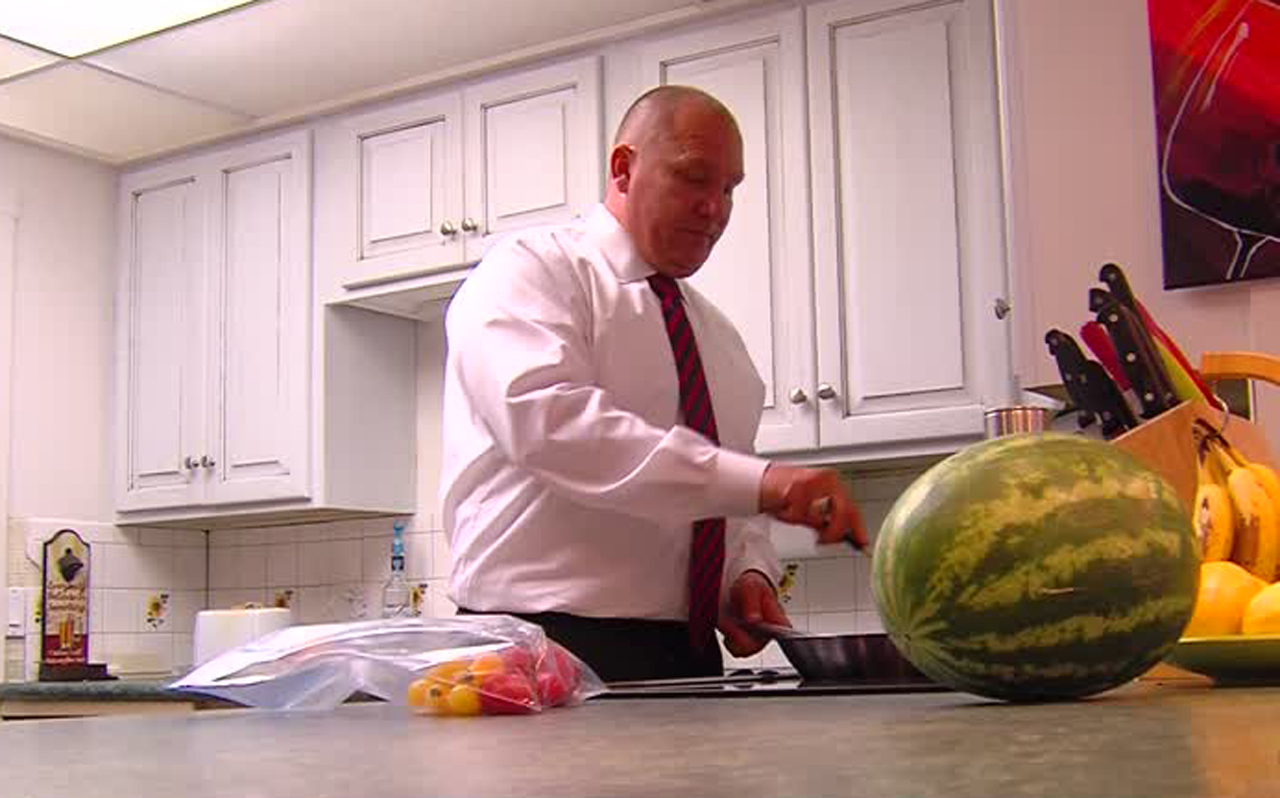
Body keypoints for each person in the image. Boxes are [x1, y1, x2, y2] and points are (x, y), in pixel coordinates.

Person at [439, 85, 866, 682]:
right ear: (624, 167)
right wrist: (766, 485)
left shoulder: (722, 343)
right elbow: (553, 426)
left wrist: (746, 573)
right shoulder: (529, 273)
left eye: (729, 189)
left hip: (684, 656)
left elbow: (727, 500)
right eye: (694, 178)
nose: (715, 209)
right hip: (530, 647)